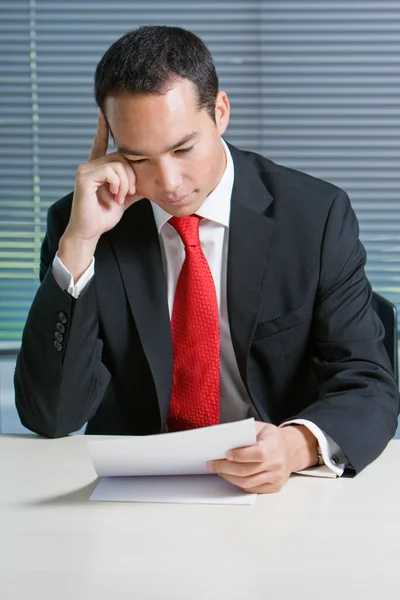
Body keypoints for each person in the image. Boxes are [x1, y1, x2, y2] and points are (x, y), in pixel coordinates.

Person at [14, 26, 399, 494]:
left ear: (220, 113)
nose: (168, 181)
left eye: (182, 148)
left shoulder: (313, 216)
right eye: (138, 158)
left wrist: (294, 445)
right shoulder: (82, 225)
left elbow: (368, 383)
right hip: (136, 496)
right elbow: (50, 416)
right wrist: (78, 244)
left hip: (278, 493)